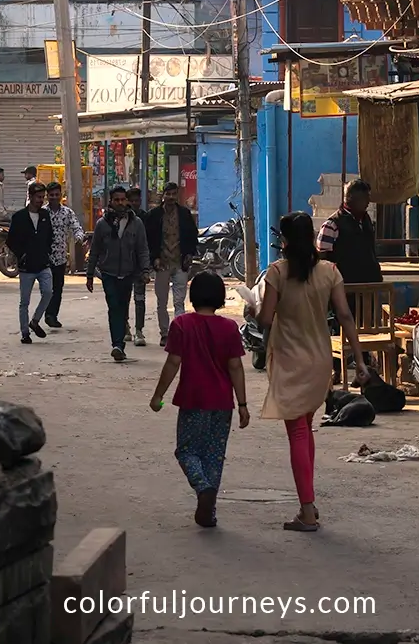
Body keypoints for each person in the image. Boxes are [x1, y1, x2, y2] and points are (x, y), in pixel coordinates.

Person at [256, 211, 368, 532]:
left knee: (298, 432)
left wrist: (253, 305)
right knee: (306, 427)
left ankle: (307, 509)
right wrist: (359, 361)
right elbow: (345, 317)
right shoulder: (330, 271)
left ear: (286, 241)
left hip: (290, 360)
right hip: (320, 360)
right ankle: (309, 501)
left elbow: (264, 320)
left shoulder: (277, 272)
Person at [150, 270, 250, 528]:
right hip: (222, 403)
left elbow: (173, 363)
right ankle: (210, 509)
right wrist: (243, 405)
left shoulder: (181, 325)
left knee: (187, 451)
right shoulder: (229, 328)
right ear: (220, 298)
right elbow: (236, 367)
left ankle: (202, 487)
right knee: (214, 455)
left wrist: (158, 395)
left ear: (193, 297)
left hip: (193, 400)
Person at [86, 186, 150, 362]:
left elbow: (142, 249)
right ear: (111, 202)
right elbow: (95, 250)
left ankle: (119, 343)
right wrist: (90, 274)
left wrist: (145, 270)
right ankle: (117, 345)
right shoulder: (102, 224)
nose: (121, 203)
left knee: (122, 307)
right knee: (114, 306)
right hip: (108, 273)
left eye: (123, 200)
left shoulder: (136, 223)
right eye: (117, 200)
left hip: (128, 273)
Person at [145, 183, 199, 346]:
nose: (170, 197)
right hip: (161, 264)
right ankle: (164, 333)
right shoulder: (154, 215)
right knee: (161, 301)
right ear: (163, 195)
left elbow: (192, 235)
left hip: (179, 262)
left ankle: (179, 333)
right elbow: (149, 239)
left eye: (173, 194)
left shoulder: (184, 214)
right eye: (168, 194)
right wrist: (154, 258)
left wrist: (189, 254)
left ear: (177, 195)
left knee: (179, 301)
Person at [6, 182, 55, 344]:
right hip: (26, 267)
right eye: (38, 197)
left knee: (48, 292)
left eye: (43, 197)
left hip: (43, 264)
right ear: (31, 197)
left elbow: (50, 236)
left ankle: (35, 320)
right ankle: (25, 333)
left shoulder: (45, 216)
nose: (41, 200)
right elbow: (11, 240)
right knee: (24, 301)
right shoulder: (19, 217)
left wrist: (46, 252)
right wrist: (22, 255)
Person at [316, 178, 382, 283]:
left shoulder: (366, 220)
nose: (368, 202)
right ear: (351, 198)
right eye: (365, 197)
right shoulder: (332, 225)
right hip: (345, 288)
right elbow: (324, 262)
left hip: (369, 287)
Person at [44, 180, 85, 329]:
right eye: (51, 195)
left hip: (60, 257)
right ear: (47, 196)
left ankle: (52, 315)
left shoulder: (67, 213)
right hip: (44, 257)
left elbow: (76, 227)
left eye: (57, 194)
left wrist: (79, 238)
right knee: (47, 288)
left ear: (61, 195)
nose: (54, 197)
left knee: (58, 288)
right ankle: (46, 313)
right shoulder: (42, 212)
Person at [126, 185, 149, 346]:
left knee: (139, 299)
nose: (135, 203)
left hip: (139, 266)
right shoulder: (120, 218)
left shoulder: (144, 219)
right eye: (132, 201)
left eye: (137, 200)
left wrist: (146, 267)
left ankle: (139, 330)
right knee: (124, 299)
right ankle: (125, 327)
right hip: (123, 266)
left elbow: (146, 245)